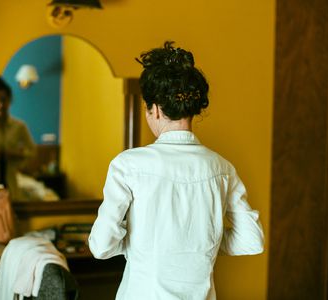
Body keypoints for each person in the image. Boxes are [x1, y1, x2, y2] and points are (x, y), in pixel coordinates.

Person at [88, 41, 264, 300]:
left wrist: (140, 242)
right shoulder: (223, 169)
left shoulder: (128, 166)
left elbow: (101, 246)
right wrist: (201, 242)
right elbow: (251, 240)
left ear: (155, 109)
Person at [0, 76, 36, 200]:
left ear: (9, 100)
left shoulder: (19, 126)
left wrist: (17, 154)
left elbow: (32, 151)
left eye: (4, 100)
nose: (0, 105)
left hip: (11, 183)